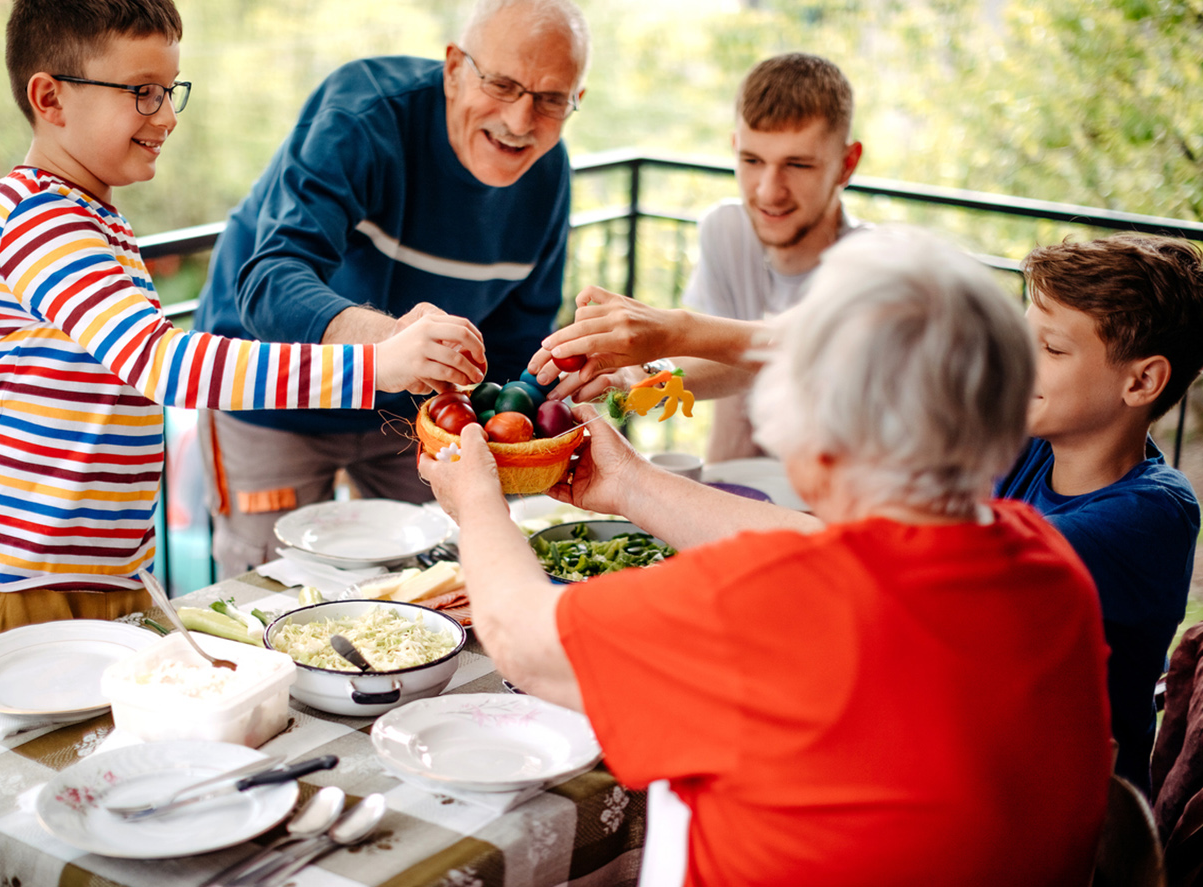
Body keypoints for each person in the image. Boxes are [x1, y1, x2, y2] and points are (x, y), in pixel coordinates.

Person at [422, 226, 1112, 885]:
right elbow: (822, 549)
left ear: (817, 437)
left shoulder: (764, 607)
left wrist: (474, 497)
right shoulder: (1042, 557)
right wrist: (633, 485)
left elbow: (523, 637)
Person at [0, 0, 486, 675]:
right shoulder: (35, 219)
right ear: (50, 98)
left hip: (98, 574)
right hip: (18, 583)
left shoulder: (90, 218)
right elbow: (160, 362)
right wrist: (372, 363)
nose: (166, 116)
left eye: (168, 90)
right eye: (142, 93)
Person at [192, 0, 590, 577]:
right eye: (502, 84)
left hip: (418, 411)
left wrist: (550, 402)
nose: (522, 120)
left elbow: (516, 339)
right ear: (454, 68)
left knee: (444, 569)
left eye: (552, 99)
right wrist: (391, 341)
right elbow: (268, 281)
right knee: (270, 580)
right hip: (273, 392)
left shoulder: (548, 176)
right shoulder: (362, 114)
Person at [533, 53, 863, 461]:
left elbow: (813, 346)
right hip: (750, 490)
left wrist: (674, 330)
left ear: (847, 165)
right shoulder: (727, 230)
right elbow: (740, 375)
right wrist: (642, 378)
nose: (768, 191)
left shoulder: (877, 266)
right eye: (752, 160)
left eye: (797, 164)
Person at [995, 233, 1203, 796]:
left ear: (1141, 381)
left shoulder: (1150, 515)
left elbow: (918, 559)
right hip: (996, 754)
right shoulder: (1039, 441)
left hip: (1076, 811)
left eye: (1053, 350)